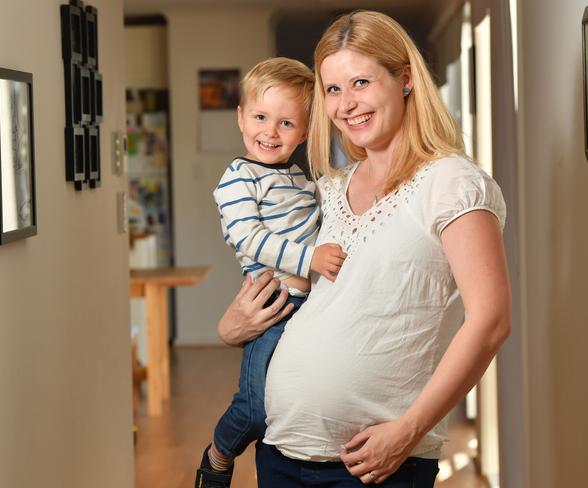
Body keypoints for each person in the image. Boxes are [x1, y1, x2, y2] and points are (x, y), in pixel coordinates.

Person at [217, 10, 511, 488]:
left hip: (375, 467)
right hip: (280, 452)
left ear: (406, 79)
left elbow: (492, 320)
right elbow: (298, 289)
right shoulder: (330, 188)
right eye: (333, 89)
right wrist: (231, 327)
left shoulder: (450, 183)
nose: (346, 104)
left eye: (360, 82)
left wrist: (408, 431)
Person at [196, 57, 347, 488]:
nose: (270, 131)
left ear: (304, 132)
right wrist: (310, 262)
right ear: (241, 118)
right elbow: (248, 237)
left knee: (288, 400)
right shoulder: (238, 180)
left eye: (286, 123)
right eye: (261, 117)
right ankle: (219, 454)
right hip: (273, 306)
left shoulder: (300, 179)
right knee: (256, 407)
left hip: (308, 305)